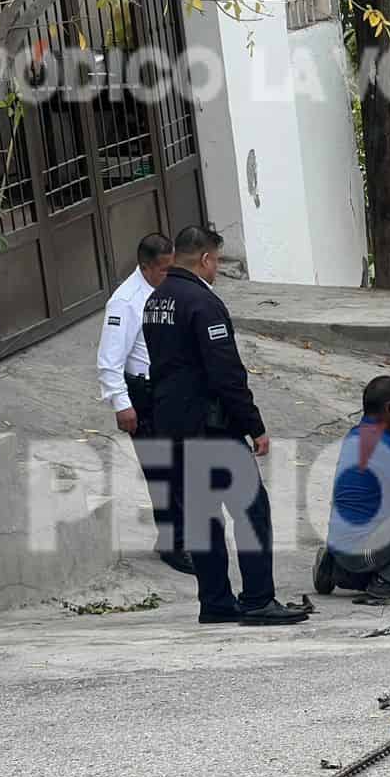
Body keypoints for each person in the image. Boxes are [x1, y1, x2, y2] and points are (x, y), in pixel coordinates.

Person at [142, 224, 308, 626]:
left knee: (201, 516)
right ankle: (257, 600)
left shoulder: (156, 301)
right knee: (252, 510)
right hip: (210, 427)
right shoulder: (203, 303)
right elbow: (226, 375)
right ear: (204, 259)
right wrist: (255, 425)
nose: (216, 269)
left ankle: (215, 601)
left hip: (171, 425)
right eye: (215, 261)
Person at [96, 232, 191, 574]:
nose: (170, 274)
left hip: (170, 391)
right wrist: (122, 405)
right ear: (146, 266)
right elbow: (109, 360)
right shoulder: (126, 301)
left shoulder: (168, 291)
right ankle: (173, 543)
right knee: (162, 470)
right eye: (164, 269)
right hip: (143, 395)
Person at [312, 375, 390, 599]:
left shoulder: (356, 435)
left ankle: (337, 569)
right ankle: (389, 582)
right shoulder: (385, 449)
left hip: (343, 546)